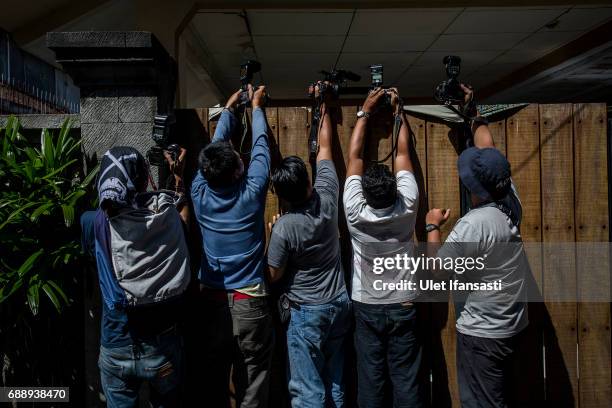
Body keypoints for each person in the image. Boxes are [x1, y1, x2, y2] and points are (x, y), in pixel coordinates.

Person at [426, 85, 528, 408]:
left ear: (474, 188)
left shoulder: (475, 224)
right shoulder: (510, 200)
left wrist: (431, 227)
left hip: (482, 336)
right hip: (510, 327)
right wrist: (473, 111)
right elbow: (490, 149)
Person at [80, 145, 190, 408]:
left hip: (115, 346)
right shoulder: (168, 218)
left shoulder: (91, 223)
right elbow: (182, 216)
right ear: (142, 181)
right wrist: (178, 178)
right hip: (161, 351)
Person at [267, 82, 350, 408]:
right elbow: (326, 148)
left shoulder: (285, 228)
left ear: (283, 197)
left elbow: (273, 275)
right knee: (337, 383)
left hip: (307, 312)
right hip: (339, 303)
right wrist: (323, 105)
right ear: (308, 179)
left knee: (308, 393)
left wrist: (271, 233)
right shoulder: (328, 197)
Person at [191, 85, 274, 407]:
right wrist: (256, 107)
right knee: (253, 380)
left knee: (213, 378)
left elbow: (214, 148)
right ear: (239, 168)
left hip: (211, 297)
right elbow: (262, 145)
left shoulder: (199, 190)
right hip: (250, 298)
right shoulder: (251, 192)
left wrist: (228, 110)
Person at [344, 88, 424, 408]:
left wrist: (364, 112)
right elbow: (403, 154)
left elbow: (355, 158)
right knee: (406, 380)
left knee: (370, 379)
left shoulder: (354, 212)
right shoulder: (407, 207)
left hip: (366, 304)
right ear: (394, 190)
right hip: (403, 304)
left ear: (365, 194)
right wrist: (398, 113)